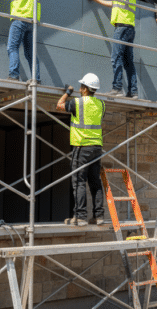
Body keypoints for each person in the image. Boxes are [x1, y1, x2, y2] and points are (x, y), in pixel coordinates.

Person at [57, 73, 106, 226]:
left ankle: (80, 216)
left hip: (82, 147)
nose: (79, 89)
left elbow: (59, 105)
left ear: (85, 89)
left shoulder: (77, 103)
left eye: (81, 87)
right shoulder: (101, 104)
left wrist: (68, 92)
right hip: (96, 148)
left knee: (79, 182)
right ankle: (98, 216)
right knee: (95, 182)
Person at [84, 0, 139, 99]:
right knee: (128, 62)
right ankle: (133, 92)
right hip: (130, 29)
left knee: (116, 58)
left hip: (121, 29)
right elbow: (113, 4)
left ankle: (117, 88)